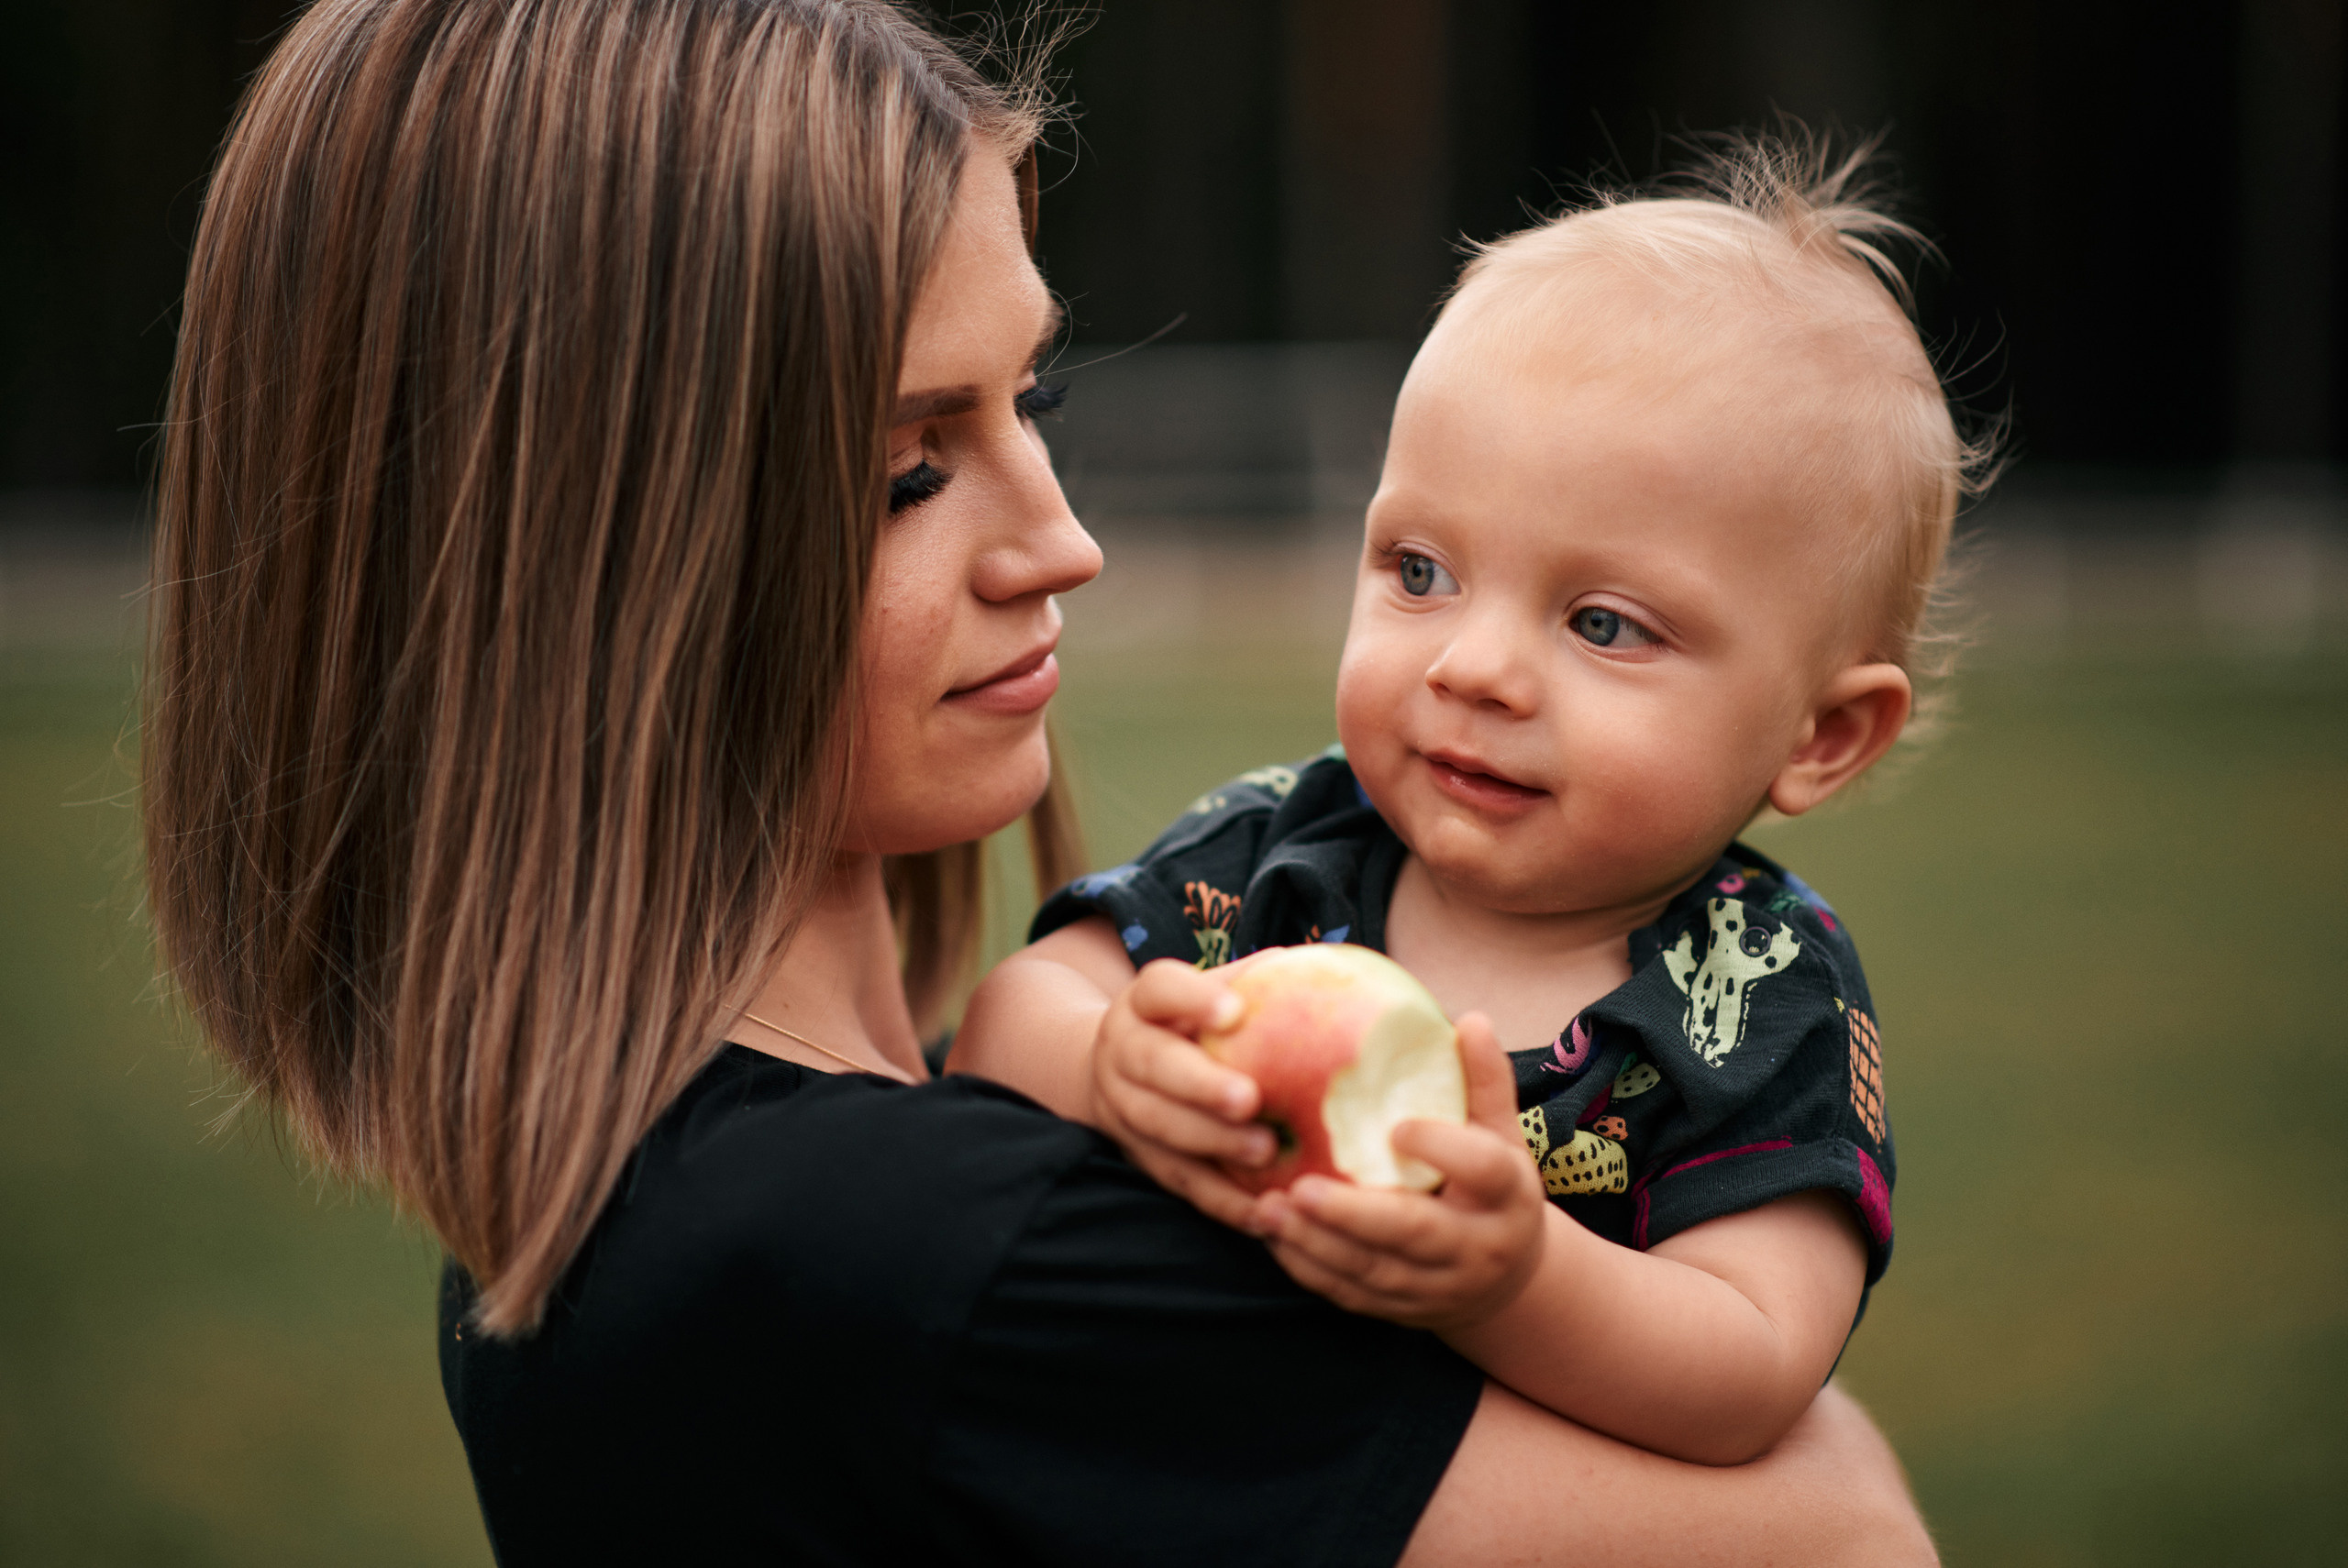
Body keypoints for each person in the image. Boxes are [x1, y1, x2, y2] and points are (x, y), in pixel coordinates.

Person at [141, 1, 1938, 1562]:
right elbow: (1847, 1530)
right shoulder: (902, 1252)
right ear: (581, 561)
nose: (1064, 542)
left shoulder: (673, 1182)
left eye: (1035, 403)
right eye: (912, 469)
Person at [955, 140, 1990, 1466]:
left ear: (1822, 735)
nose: (1474, 667)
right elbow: (1006, 1023)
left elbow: (1755, 1363)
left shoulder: (1762, 993)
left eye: (1604, 623)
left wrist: (1516, 1280)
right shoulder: (1285, 849)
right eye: (1421, 570)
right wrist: (1115, 1068)